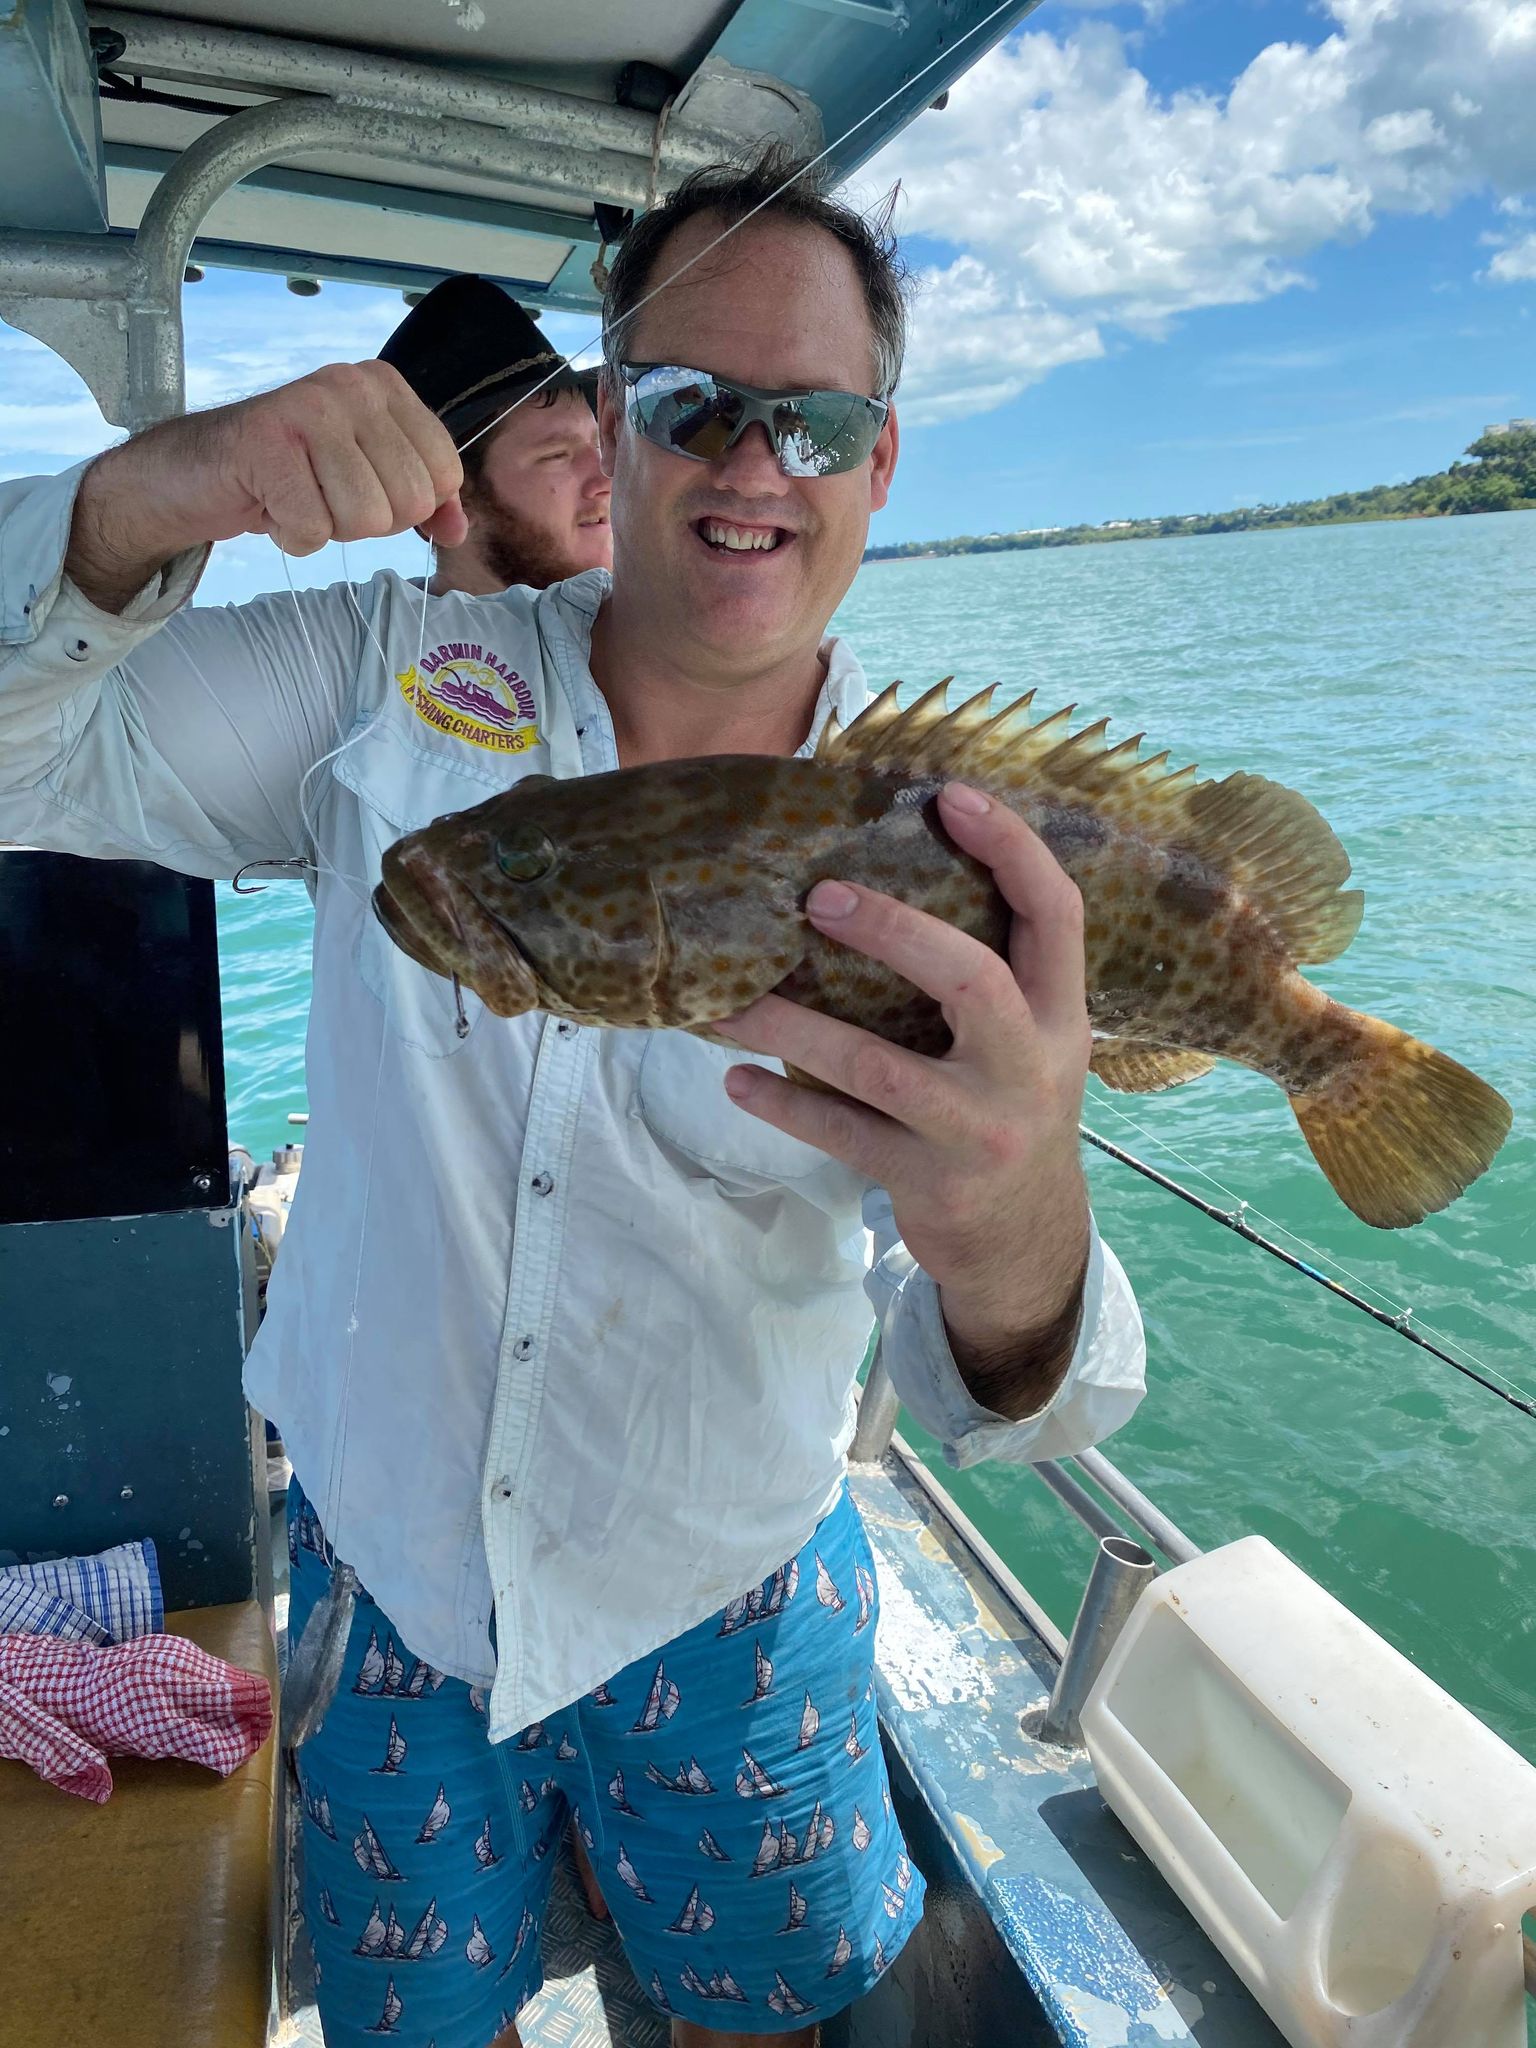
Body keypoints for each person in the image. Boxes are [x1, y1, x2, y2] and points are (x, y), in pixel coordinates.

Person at [0, 151, 1146, 2048]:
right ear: (613, 423)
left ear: (881, 460)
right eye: (696, 403)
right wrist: (150, 499)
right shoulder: (381, 679)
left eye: (818, 419)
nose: (753, 463)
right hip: (386, 1595)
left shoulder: (950, 846)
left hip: (734, 1597)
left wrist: (1017, 1229)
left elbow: (1021, 1395)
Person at [376, 274, 612, 593]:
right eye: (556, 455)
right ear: (455, 496)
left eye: (599, 446)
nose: (607, 480)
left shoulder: (659, 633)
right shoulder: (358, 634)